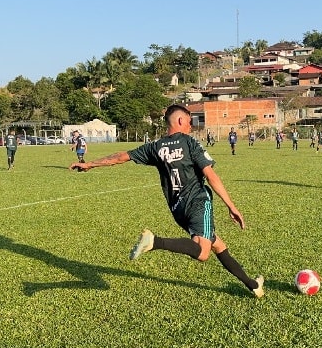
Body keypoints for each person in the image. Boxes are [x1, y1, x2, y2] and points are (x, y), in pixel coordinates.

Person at [69, 104, 264, 297]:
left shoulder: (156, 147)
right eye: (189, 122)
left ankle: (253, 285)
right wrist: (231, 206)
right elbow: (211, 176)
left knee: (217, 244)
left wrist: (91, 164)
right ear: (180, 120)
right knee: (203, 252)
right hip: (197, 201)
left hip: (178, 210)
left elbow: (121, 156)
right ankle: (155, 242)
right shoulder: (190, 143)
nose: (190, 126)